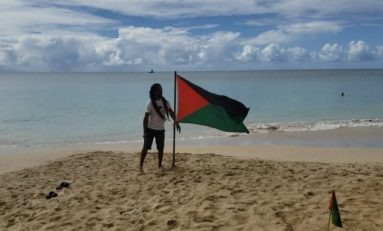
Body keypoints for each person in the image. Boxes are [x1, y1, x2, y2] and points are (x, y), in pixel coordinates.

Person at [139, 83, 181, 172]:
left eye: (161, 89)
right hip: (150, 129)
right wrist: (145, 132)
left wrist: (176, 121)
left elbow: (171, 112)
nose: (161, 91)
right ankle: (140, 166)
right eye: (159, 90)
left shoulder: (165, 102)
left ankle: (159, 165)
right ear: (154, 92)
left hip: (161, 129)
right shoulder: (149, 103)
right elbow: (145, 119)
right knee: (145, 148)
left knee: (161, 148)